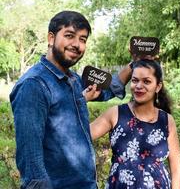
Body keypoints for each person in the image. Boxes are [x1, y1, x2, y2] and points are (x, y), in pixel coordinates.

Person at [10, 10, 132, 189]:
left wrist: (133, 65)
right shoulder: (34, 85)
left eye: (83, 39)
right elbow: (30, 159)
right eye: (69, 36)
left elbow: (105, 91)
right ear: (51, 38)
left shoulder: (73, 80)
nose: (77, 44)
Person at [90, 59, 180, 189]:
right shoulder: (116, 113)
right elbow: (81, 134)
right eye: (135, 80)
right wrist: (82, 99)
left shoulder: (166, 120)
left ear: (158, 86)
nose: (139, 86)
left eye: (146, 81)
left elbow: (177, 168)